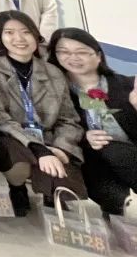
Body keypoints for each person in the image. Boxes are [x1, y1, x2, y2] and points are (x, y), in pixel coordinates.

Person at [0, 11, 85, 216]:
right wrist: (39, 149)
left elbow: (69, 119)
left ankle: (51, 193)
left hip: (48, 137)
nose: (19, 38)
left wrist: (62, 148)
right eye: (9, 32)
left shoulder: (54, 72)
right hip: (8, 135)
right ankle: (17, 188)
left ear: (36, 35)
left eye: (26, 32)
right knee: (20, 160)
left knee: (64, 182)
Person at [48, 28, 137, 219]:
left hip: (131, 155)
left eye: (81, 52)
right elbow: (52, 129)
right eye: (64, 52)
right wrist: (84, 136)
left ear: (98, 56)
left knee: (113, 150)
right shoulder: (56, 94)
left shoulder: (128, 85)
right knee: (119, 201)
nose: (73, 58)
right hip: (92, 163)